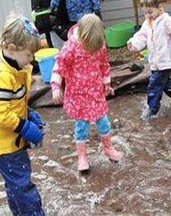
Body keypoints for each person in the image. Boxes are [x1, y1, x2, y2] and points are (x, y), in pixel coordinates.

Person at [0, 11, 46, 216]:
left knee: (14, 182)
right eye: (28, 55)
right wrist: (25, 127)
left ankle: (19, 212)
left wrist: (28, 112)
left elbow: (11, 104)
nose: (31, 60)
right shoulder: (1, 76)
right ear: (12, 49)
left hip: (9, 140)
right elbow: (0, 114)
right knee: (22, 183)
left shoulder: (13, 65)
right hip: (5, 144)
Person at [51, 14, 123, 172]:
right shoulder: (71, 47)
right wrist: (56, 86)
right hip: (78, 95)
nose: (93, 51)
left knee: (103, 123)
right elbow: (59, 66)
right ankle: (82, 157)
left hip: (96, 93)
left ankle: (108, 148)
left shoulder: (100, 44)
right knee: (82, 126)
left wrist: (107, 85)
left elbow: (104, 65)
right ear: (82, 37)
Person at [127, 0, 171, 119]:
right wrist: (133, 43)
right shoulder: (147, 23)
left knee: (154, 85)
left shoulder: (166, 21)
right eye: (145, 13)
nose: (148, 15)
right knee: (166, 85)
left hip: (165, 61)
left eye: (150, 12)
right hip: (155, 63)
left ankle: (152, 110)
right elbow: (141, 37)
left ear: (159, 8)